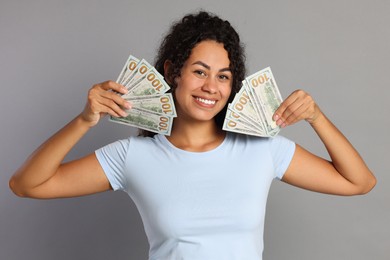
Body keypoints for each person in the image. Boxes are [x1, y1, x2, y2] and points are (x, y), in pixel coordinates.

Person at [9, 11, 376, 260]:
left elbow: (359, 182)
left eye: (223, 76)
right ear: (173, 72)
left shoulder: (263, 149)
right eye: (200, 71)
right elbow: (26, 185)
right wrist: (84, 121)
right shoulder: (132, 157)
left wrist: (316, 116)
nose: (210, 87)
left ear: (233, 86)